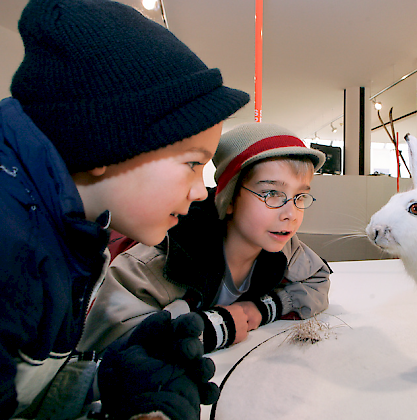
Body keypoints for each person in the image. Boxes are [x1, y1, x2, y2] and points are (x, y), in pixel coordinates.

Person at [0, 0, 249, 419]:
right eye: (192, 163)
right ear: (103, 140)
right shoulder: (11, 253)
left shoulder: (70, 232)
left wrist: (105, 379)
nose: (201, 192)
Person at [78, 123, 332, 357]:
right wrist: (213, 328)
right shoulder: (165, 255)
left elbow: (318, 280)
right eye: (271, 194)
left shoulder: (282, 243)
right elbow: (103, 345)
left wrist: (264, 309)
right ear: (230, 197)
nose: (290, 214)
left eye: (299, 197)